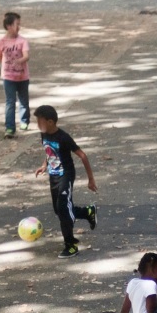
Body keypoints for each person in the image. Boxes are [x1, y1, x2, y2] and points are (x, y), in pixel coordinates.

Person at [32, 106, 97, 259]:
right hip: (53, 176)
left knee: (63, 209)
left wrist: (91, 179)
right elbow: (49, 152)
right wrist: (44, 166)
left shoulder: (63, 137)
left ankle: (71, 245)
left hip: (66, 175)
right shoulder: (44, 134)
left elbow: (82, 155)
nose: (37, 125)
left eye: (39, 121)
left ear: (50, 122)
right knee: (58, 210)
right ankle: (88, 212)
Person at [0, 12, 30, 137]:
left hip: (22, 76)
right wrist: (3, 67)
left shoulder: (22, 41)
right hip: (8, 77)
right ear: (9, 26)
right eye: (17, 24)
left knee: (23, 100)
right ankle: (10, 127)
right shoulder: (1, 41)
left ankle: (24, 120)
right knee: (10, 101)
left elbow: (26, 56)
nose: (19, 27)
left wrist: (19, 61)